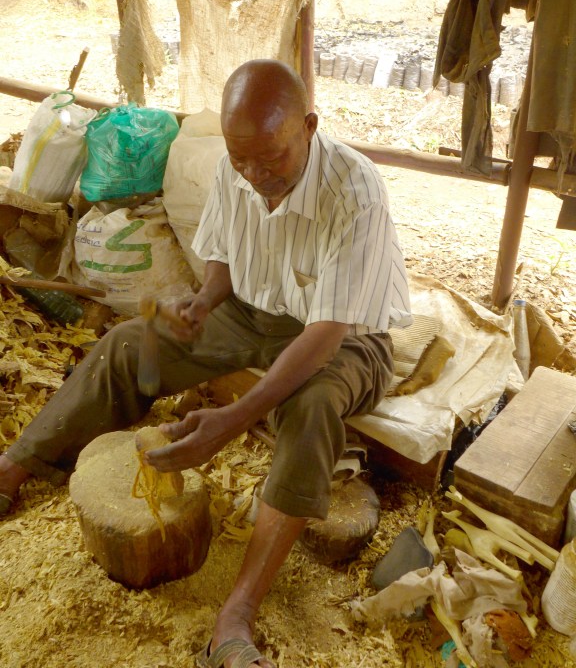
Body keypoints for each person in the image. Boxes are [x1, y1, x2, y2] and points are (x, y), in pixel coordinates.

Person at [0, 59, 412, 668]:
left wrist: (234, 419)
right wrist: (201, 302)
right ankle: (16, 465)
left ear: (309, 126)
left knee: (312, 406)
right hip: (251, 312)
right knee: (130, 344)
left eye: (270, 158)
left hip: (346, 334)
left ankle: (234, 616)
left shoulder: (355, 189)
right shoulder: (235, 167)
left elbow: (326, 333)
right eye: (241, 159)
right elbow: (224, 253)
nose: (255, 174)